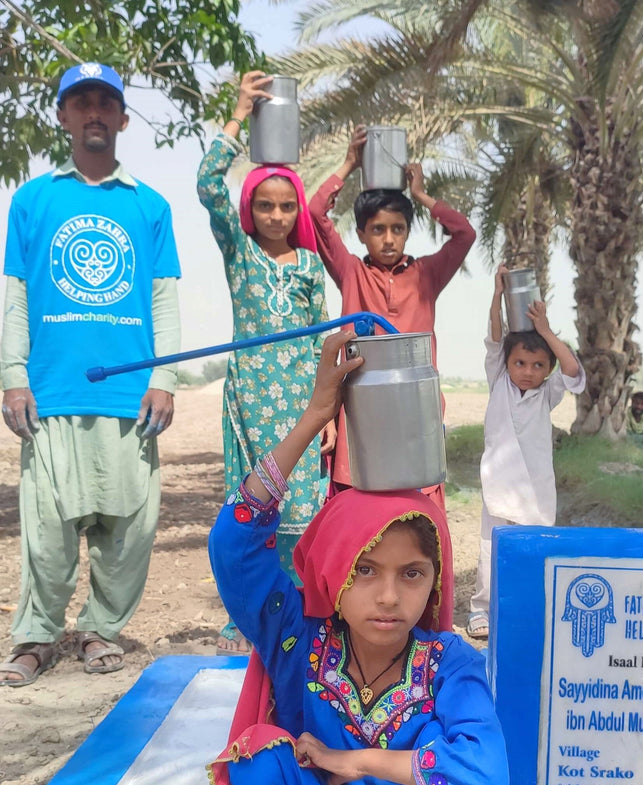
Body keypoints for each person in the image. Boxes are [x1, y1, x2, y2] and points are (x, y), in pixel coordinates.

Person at [208, 330, 538, 785]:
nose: (388, 597)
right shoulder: (297, 640)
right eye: (365, 569)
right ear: (331, 567)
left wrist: (351, 758)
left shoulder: (449, 660)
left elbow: (486, 772)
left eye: (411, 574)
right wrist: (315, 415)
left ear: (434, 580)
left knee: (464, 784)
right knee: (258, 761)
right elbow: (234, 541)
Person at [0, 62, 181, 684]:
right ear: (63, 116)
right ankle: (37, 636)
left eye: (106, 102)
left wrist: (165, 379)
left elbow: (162, 298)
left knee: (128, 528)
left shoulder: (148, 206)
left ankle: (102, 630)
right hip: (50, 390)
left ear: (124, 118)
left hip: (131, 392)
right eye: (81, 102)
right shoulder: (33, 199)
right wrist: (11, 373)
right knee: (48, 531)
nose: (94, 112)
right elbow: (17, 294)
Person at [197, 70, 331, 656]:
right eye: (264, 205)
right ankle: (249, 612)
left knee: (303, 507)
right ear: (251, 208)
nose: (275, 216)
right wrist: (237, 115)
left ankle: (296, 608)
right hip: (251, 394)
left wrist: (327, 416)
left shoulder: (307, 264)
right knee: (256, 502)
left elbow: (321, 343)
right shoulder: (240, 252)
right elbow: (206, 185)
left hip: (303, 396)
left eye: (285, 207)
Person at [308, 126, 476, 500]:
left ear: (407, 231)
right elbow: (316, 212)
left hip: (417, 408)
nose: (388, 239)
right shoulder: (352, 272)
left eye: (397, 229)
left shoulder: (426, 274)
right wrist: (349, 164)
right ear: (363, 234)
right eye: (378, 230)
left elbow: (464, 234)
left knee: (417, 510)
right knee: (358, 506)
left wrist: (421, 194)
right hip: (358, 410)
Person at [467, 266, 586, 641]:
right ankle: (481, 611)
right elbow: (495, 336)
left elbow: (572, 371)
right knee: (491, 550)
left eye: (537, 366)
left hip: (534, 490)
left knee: (534, 550)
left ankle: (527, 609)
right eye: (520, 363)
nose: (527, 372)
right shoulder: (499, 382)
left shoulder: (546, 395)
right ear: (506, 364)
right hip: (498, 485)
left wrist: (546, 330)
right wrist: (498, 294)